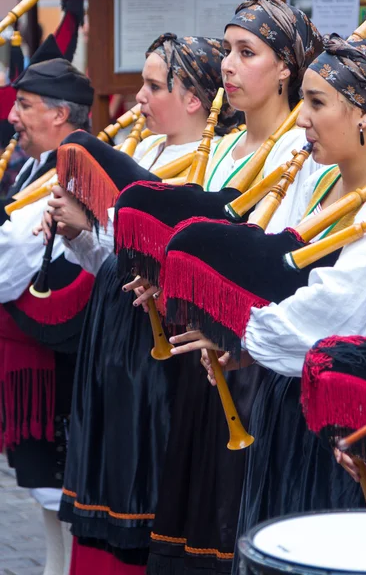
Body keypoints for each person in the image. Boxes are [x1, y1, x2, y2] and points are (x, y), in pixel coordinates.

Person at [167, 34, 366, 572]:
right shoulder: (323, 186)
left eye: (317, 103)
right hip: (284, 403)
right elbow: (274, 266)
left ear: (363, 113)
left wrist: (237, 329)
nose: (301, 120)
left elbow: (336, 308)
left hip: (334, 433)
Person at [123, 0, 325, 575]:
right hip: (197, 361)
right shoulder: (226, 144)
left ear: (286, 66)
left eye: (247, 52)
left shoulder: (300, 154)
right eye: (228, 51)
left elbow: (272, 264)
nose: (228, 67)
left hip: (250, 366)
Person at [46, 34, 240, 575]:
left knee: (139, 466)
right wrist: (74, 231)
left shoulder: (208, 165)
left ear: (194, 100)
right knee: (103, 456)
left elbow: (164, 257)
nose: (139, 99)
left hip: (154, 346)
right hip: (113, 328)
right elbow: (105, 262)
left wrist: (95, 225)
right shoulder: (145, 151)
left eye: (154, 87)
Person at [0, 48, 93, 575]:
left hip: (59, 364)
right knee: (45, 500)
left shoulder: (77, 170)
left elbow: (9, 267)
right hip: (33, 356)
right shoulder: (37, 164)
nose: (13, 115)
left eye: (26, 104)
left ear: (60, 115)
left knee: (62, 497)